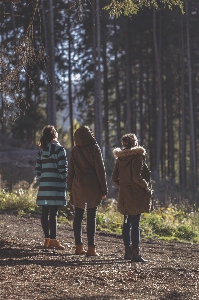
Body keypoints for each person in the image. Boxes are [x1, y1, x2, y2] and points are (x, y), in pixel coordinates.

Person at [67, 126, 107, 256]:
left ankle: (78, 247)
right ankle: (91, 249)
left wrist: (69, 187)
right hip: (92, 185)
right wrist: (103, 188)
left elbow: (71, 171)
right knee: (91, 217)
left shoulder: (74, 150)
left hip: (78, 185)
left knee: (78, 216)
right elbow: (100, 170)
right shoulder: (94, 149)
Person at [111, 133, 151, 263]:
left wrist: (122, 186)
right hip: (136, 194)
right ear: (135, 143)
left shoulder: (120, 159)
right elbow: (137, 177)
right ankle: (136, 253)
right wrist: (145, 187)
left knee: (127, 222)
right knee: (135, 224)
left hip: (124, 194)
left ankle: (127, 252)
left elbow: (114, 178)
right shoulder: (137, 157)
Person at [35, 125, 68, 250]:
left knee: (44, 212)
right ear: (55, 135)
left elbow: (38, 169)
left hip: (44, 186)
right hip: (56, 185)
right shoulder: (59, 149)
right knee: (53, 213)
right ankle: (53, 240)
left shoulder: (42, 150)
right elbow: (63, 169)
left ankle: (47, 239)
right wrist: (65, 181)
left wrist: (43, 179)